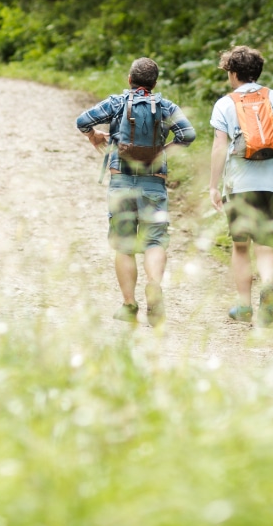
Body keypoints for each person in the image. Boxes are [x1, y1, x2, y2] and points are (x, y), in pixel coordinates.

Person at [76, 57, 196, 326]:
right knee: (154, 241)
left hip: (121, 181)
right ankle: (154, 285)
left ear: (130, 80)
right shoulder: (165, 106)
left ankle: (129, 305)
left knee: (124, 245)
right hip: (154, 182)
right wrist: (163, 152)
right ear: (154, 83)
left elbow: (83, 120)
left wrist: (94, 136)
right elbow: (187, 135)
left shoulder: (117, 103)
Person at [208, 45, 273, 326]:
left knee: (240, 246)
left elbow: (219, 145)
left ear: (234, 73)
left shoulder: (225, 103)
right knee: (265, 245)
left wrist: (213, 185)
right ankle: (268, 292)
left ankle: (244, 306)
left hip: (238, 186)